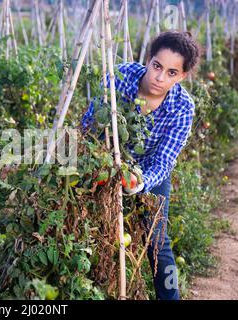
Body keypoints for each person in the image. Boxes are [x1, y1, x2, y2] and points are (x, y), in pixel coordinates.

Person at [81, 31, 201, 300]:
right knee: (93, 230)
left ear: (181, 77)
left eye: (171, 73)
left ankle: (169, 297)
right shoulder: (122, 77)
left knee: (157, 242)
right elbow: (89, 124)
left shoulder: (182, 107)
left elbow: (164, 160)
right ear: (149, 60)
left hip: (151, 173)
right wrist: (99, 163)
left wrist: (139, 182)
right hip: (107, 164)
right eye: (157, 66)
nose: (160, 78)